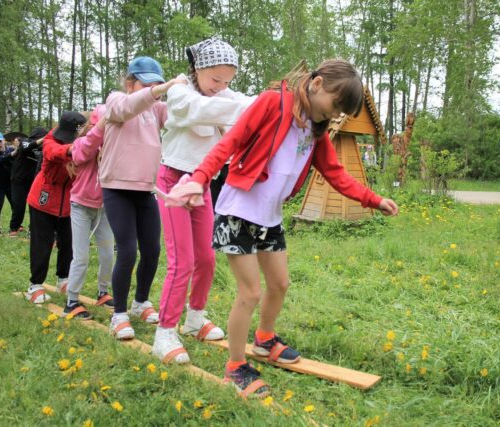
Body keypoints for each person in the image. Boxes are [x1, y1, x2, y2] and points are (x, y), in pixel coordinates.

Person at [167, 59, 399, 396]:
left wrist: (373, 200)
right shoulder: (272, 102)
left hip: (270, 217)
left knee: (280, 284)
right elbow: (229, 143)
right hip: (238, 213)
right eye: (335, 105)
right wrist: (199, 178)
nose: (335, 115)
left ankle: (264, 339)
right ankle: (235, 367)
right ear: (317, 84)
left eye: (340, 113)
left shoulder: (315, 128)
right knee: (250, 292)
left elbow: (335, 173)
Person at [153, 38, 255, 364]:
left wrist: (272, 103)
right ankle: (165, 332)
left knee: (207, 258)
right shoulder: (180, 92)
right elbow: (201, 110)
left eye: (227, 81)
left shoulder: (224, 97)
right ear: (198, 69)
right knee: (181, 260)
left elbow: (244, 103)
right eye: (216, 79)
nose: (221, 87)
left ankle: (195, 316)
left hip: (201, 185)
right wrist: (253, 109)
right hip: (172, 182)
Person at [100, 56, 186, 340]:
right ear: (130, 84)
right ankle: (119, 314)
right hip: (117, 188)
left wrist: (190, 90)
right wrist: (161, 89)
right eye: (146, 84)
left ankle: (140, 302)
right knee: (127, 251)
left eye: (156, 84)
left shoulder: (155, 109)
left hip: (146, 190)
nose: (152, 90)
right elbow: (128, 108)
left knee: (152, 250)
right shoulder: (115, 101)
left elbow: (181, 116)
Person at [24, 112, 87, 304]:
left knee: (68, 243)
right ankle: (35, 285)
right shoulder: (51, 139)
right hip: (43, 200)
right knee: (42, 243)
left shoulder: (87, 142)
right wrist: (74, 148)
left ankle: (63, 279)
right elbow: (53, 152)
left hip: (70, 202)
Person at [63, 105, 115, 320]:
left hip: (104, 208)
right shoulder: (82, 144)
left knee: (108, 253)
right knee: (81, 256)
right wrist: (99, 135)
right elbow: (84, 152)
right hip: (81, 207)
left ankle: (103, 291)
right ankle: (72, 300)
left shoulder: (113, 146)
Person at [10, 128, 48, 236]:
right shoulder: (25, 142)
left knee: (34, 206)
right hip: (19, 180)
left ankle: (32, 229)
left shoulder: (44, 148)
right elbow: (28, 146)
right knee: (19, 204)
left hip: (33, 181)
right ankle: (14, 227)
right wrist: (43, 139)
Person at [0, 132, 17, 234]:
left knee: (16, 205)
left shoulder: (11, 149)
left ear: (4, 141)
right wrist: (12, 154)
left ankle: (17, 225)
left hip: (11, 183)